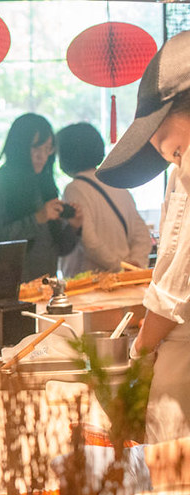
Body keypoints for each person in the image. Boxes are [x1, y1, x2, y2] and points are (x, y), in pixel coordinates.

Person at [98, 30, 190, 443]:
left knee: (173, 488)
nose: (173, 160)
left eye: (169, 149)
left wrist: (140, 352)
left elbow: (174, 289)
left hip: (182, 350)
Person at [0, 113, 82, 280]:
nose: (42, 156)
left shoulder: (44, 183)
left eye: (48, 149)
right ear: (19, 147)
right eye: (36, 148)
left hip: (46, 290)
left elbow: (58, 249)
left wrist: (73, 228)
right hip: (9, 293)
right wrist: (37, 219)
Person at [56, 122, 152, 276]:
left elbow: (89, 241)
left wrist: (118, 267)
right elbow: (142, 234)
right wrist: (134, 265)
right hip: (123, 281)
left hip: (92, 282)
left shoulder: (74, 188)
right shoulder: (116, 183)